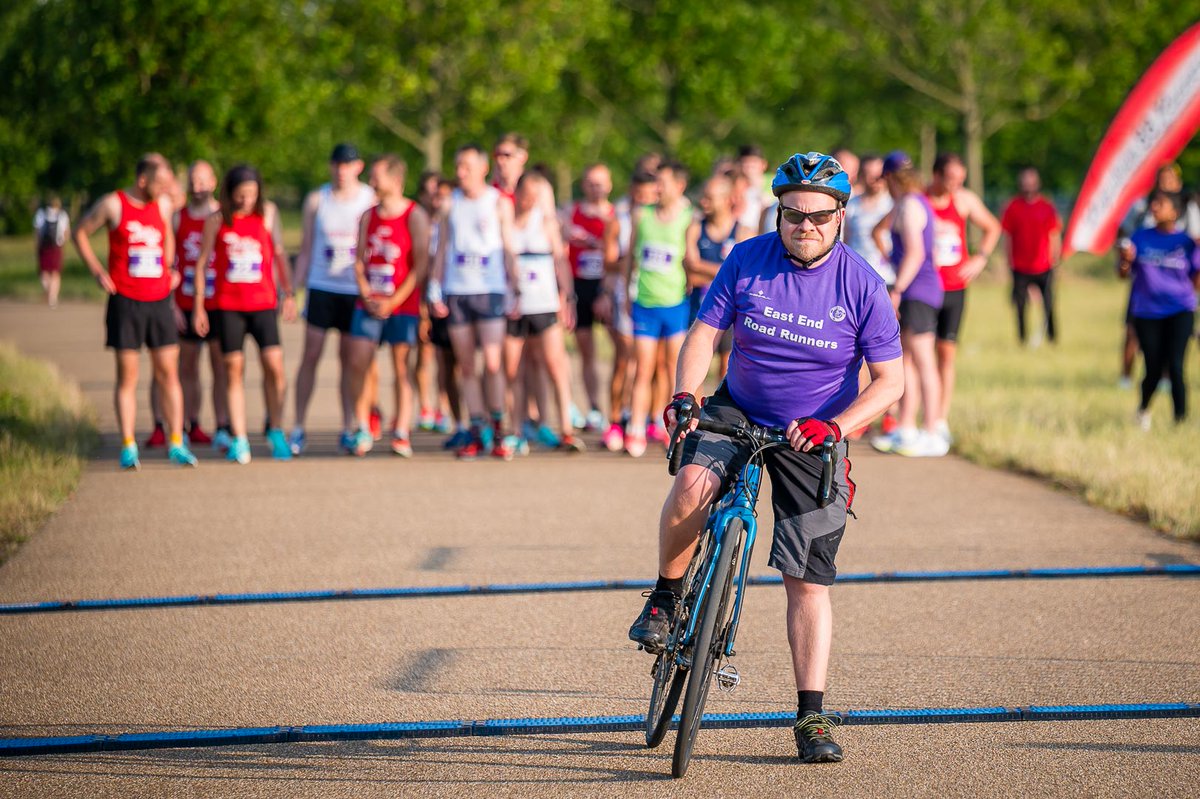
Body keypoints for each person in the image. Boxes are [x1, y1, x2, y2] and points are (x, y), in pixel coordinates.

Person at [628, 152, 903, 763]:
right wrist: (685, 395)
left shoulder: (862, 283)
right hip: (739, 407)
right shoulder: (747, 258)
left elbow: (890, 383)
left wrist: (834, 426)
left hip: (813, 431)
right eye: (793, 213)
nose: (804, 225)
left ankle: (811, 717)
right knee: (694, 482)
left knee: (807, 580)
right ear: (778, 212)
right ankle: (667, 597)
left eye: (818, 215)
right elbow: (703, 334)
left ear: (839, 216)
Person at [72, 153, 197, 470]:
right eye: (160, 182)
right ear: (142, 180)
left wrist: (171, 267)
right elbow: (80, 233)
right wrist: (97, 271)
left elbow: (168, 233)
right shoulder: (113, 204)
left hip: (158, 300)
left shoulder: (164, 205)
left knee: (169, 372)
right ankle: (128, 445)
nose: (165, 189)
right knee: (128, 376)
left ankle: (177, 443)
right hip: (126, 300)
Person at [192, 165, 296, 464]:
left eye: (251, 195)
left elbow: (278, 254)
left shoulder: (268, 214)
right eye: (240, 195)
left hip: (263, 303)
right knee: (233, 370)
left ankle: (275, 429)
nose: (246, 201)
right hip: (228, 305)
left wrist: (288, 293)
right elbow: (201, 264)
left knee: (275, 367)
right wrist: (199, 305)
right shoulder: (216, 220)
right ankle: (239, 437)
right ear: (229, 193)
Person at [429, 143, 518, 460]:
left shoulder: (497, 202)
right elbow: (441, 248)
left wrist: (515, 288)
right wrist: (434, 287)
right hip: (457, 291)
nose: (460, 172)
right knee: (466, 365)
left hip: (490, 290)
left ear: (483, 168)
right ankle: (477, 427)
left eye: (466, 166)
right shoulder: (450, 203)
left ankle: (499, 425)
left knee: (493, 363)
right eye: (457, 166)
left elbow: (508, 247)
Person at [290, 143, 377, 455]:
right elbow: (306, 248)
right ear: (331, 166)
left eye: (348, 164)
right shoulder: (318, 200)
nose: (342, 170)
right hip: (322, 287)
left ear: (359, 167)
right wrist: (292, 291)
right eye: (337, 164)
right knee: (311, 355)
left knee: (351, 361)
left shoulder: (370, 199)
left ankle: (350, 425)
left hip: (354, 291)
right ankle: (298, 426)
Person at [345, 155, 431, 457]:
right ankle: (363, 425)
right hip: (368, 303)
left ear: (395, 181)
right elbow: (358, 261)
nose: (371, 181)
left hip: (402, 305)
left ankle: (401, 430)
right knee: (359, 360)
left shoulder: (414, 215)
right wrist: (366, 292)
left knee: (400, 366)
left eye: (376, 176)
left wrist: (394, 301)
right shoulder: (368, 216)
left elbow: (420, 265)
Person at [869, 151, 947, 457]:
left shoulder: (910, 204)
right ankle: (907, 428)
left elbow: (916, 252)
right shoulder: (912, 202)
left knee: (924, 359)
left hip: (918, 290)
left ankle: (932, 430)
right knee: (907, 362)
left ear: (890, 178)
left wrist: (898, 288)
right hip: (919, 288)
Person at [503, 171, 585, 454]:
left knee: (556, 365)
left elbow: (561, 262)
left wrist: (568, 298)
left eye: (535, 196)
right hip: (514, 306)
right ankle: (514, 430)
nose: (530, 201)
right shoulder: (506, 221)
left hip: (544, 303)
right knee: (512, 369)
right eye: (526, 194)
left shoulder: (546, 224)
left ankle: (566, 429)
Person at [925, 153, 1001, 445]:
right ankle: (916, 415)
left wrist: (980, 259)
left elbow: (992, 227)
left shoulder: (965, 200)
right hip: (925, 288)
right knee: (919, 354)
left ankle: (940, 418)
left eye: (960, 180)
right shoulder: (921, 200)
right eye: (950, 179)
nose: (955, 185)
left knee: (946, 353)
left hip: (955, 287)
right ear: (936, 175)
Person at [624, 161, 692, 458]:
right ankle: (635, 429)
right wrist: (626, 290)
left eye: (662, 183)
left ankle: (665, 424)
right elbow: (630, 257)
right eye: (655, 183)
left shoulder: (689, 218)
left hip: (675, 303)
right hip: (645, 304)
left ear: (678, 186)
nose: (657, 188)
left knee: (670, 368)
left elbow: (690, 260)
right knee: (643, 368)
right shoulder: (642, 215)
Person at [1118, 190, 1199, 429]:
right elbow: (1123, 274)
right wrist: (1125, 260)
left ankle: (1180, 420)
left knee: (1175, 365)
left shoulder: (1185, 242)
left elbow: (1196, 278)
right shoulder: (1140, 238)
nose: (1154, 208)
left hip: (1180, 309)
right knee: (1153, 366)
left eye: (1160, 204)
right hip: (1147, 311)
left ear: (1175, 212)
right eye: (1153, 203)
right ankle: (1143, 409)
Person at [171, 160, 230, 450]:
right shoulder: (177, 218)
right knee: (187, 366)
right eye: (193, 180)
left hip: (219, 301)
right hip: (184, 301)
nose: (197, 186)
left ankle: (222, 425)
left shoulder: (224, 215)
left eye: (202, 180)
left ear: (214, 182)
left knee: (221, 366)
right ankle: (188, 423)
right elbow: (168, 262)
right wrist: (171, 304)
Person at [599, 168, 656, 452]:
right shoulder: (618, 221)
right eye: (641, 196)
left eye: (651, 196)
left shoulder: (660, 220)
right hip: (625, 295)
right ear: (632, 193)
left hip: (653, 296)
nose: (646, 201)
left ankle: (642, 418)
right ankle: (613, 419)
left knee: (648, 364)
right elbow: (607, 261)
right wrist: (632, 259)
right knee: (625, 359)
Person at [565, 163, 616, 431]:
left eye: (600, 183)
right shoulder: (571, 214)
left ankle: (617, 409)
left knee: (621, 349)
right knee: (586, 351)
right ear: (583, 185)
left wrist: (597, 243)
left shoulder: (615, 215)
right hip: (579, 285)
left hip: (606, 285)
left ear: (609, 185)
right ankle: (595, 408)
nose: (596, 188)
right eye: (591, 183)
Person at [684, 174, 751, 378]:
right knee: (692, 366)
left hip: (730, 310)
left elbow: (744, 277)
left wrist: (703, 272)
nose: (703, 202)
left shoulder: (743, 232)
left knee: (726, 368)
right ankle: (691, 409)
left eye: (709, 198)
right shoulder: (695, 228)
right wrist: (727, 273)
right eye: (703, 197)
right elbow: (690, 267)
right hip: (696, 304)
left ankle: (718, 410)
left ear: (727, 199)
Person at [1000, 167, 1061, 346]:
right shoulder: (1012, 207)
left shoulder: (1046, 206)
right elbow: (1007, 236)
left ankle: (1051, 337)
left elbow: (1054, 233)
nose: (1028, 185)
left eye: (1031, 181)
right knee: (1019, 305)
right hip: (1019, 266)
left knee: (1049, 303)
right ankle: (1022, 338)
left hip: (1044, 265)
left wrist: (1055, 259)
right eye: (1025, 181)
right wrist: (1007, 262)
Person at [843, 154, 893, 284]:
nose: (875, 180)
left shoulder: (894, 204)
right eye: (868, 174)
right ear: (861, 176)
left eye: (879, 175)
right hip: (857, 277)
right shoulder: (851, 205)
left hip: (888, 277)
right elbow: (846, 241)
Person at [34, 195, 69, 308]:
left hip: (44, 246)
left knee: (44, 272)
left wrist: (37, 245)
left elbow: (37, 232)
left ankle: (48, 292)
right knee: (55, 273)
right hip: (57, 246)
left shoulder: (41, 214)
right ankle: (52, 296)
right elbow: (66, 233)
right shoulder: (62, 215)